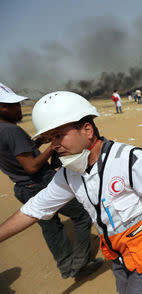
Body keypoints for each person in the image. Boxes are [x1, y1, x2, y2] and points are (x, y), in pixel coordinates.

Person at [0, 91, 142, 294]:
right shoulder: (69, 174)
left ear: (87, 130)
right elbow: (34, 209)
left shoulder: (130, 161)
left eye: (59, 135)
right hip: (117, 251)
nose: (54, 145)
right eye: (50, 138)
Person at [0, 83, 100, 279]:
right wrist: (53, 146)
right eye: (11, 105)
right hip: (38, 182)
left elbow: (16, 154)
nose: (18, 108)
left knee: (49, 225)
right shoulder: (12, 131)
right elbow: (30, 166)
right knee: (82, 215)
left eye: (17, 104)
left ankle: (65, 266)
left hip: (22, 186)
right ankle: (81, 264)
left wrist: (36, 143)